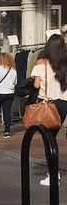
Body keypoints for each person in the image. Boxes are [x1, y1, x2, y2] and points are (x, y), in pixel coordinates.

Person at [32, 34, 67, 186]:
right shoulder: (65, 64)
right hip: (63, 104)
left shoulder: (42, 63)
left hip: (48, 104)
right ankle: (54, 173)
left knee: (49, 141)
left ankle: (53, 175)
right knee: (52, 138)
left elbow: (36, 85)